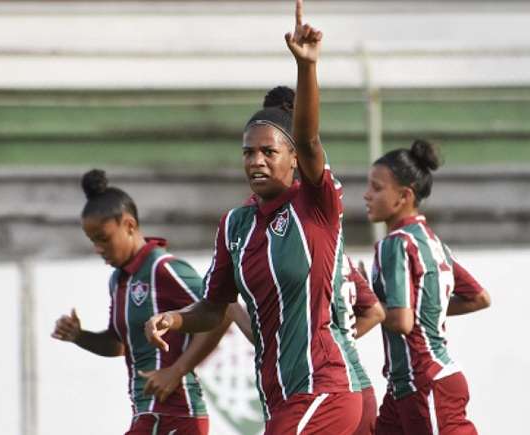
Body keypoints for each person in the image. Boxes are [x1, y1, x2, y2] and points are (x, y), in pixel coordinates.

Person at [144, 1, 365, 433]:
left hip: (323, 389)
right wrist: (173, 319)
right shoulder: (236, 225)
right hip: (278, 398)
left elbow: (309, 137)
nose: (256, 161)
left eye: (269, 151)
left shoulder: (314, 204)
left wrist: (306, 67)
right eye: (249, 152)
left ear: (293, 158)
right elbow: (215, 307)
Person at [52, 169, 231, 435]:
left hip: (178, 415)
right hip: (149, 415)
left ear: (129, 226)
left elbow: (223, 311)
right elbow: (118, 345)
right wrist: (80, 336)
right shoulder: (118, 280)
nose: (98, 248)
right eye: (93, 241)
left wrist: (177, 370)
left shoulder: (164, 268)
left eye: (103, 238)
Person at [363, 140, 492, 435]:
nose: (366, 195)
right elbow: (478, 298)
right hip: (409, 385)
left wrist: (364, 299)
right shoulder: (432, 242)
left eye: (377, 188)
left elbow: (401, 320)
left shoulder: (394, 243)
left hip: (424, 381)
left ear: (404, 196)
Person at [228, 254, 385, 435]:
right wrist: (340, 340)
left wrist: (229, 304)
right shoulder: (340, 259)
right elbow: (375, 313)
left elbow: (268, 338)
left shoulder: (293, 262)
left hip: (319, 392)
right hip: (357, 387)